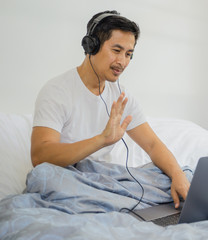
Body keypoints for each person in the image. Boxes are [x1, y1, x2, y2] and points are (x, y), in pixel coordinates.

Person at [30, 10, 190, 209]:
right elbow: (40, 156)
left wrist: (178, 176)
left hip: (107, 180)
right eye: (117, 50)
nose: (122, 62)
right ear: (92, 46)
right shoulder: (56, 91)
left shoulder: (122, 96)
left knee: (184, 175)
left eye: (128, 54)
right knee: (43, 177)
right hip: (71, 180)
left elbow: (152, 145)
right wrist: (102, 139)